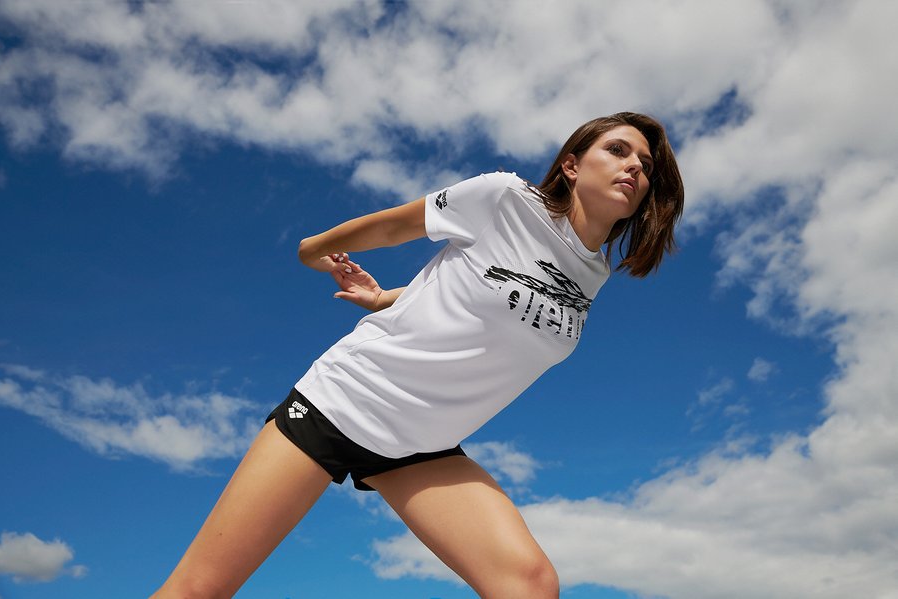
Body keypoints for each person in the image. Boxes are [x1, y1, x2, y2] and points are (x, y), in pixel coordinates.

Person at [152, 112, 684, 598]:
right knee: (197, 591)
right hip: (344, 401)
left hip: (421, 445)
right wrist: (313, 248)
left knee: (528, 585)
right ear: (571, 165)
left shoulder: (592, 274)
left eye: (645, 165)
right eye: (618, 150)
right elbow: (395, 225)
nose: (634, 167)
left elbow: (490, 290)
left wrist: (387, 297)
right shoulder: (505, 198)